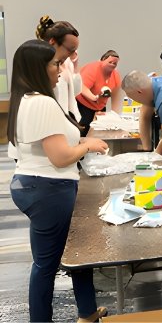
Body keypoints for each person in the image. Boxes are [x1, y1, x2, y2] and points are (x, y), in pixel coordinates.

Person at [8, 39, 108, 323]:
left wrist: (84, 140)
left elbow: (51, 143)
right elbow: (60, 157)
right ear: (39, 67)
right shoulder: (41, 103)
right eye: (55, 65)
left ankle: (87, 312)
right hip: (49, 189)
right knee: (46, 265)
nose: (60, 71)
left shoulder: (25, 99)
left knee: (79, 252)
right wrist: (87, 147)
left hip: (37, 185)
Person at [36, 16, 81, 123]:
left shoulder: (67, 62)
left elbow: (76, 92)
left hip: (66, 122)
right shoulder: (41, 67)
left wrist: (75, 67)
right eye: (70, 49)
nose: (72, 54)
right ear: (52, 42)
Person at [75, 50, 124, 133]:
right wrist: (94, 98)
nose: (112, 64)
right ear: (102, 60)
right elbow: (82, 87)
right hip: (83, 105)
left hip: (100, 107)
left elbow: (116, 96)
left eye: (114, 63)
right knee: (82, 130)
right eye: (110, 62)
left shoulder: (115, 75)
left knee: (99, 129)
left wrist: (115, 116)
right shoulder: (92, 69)